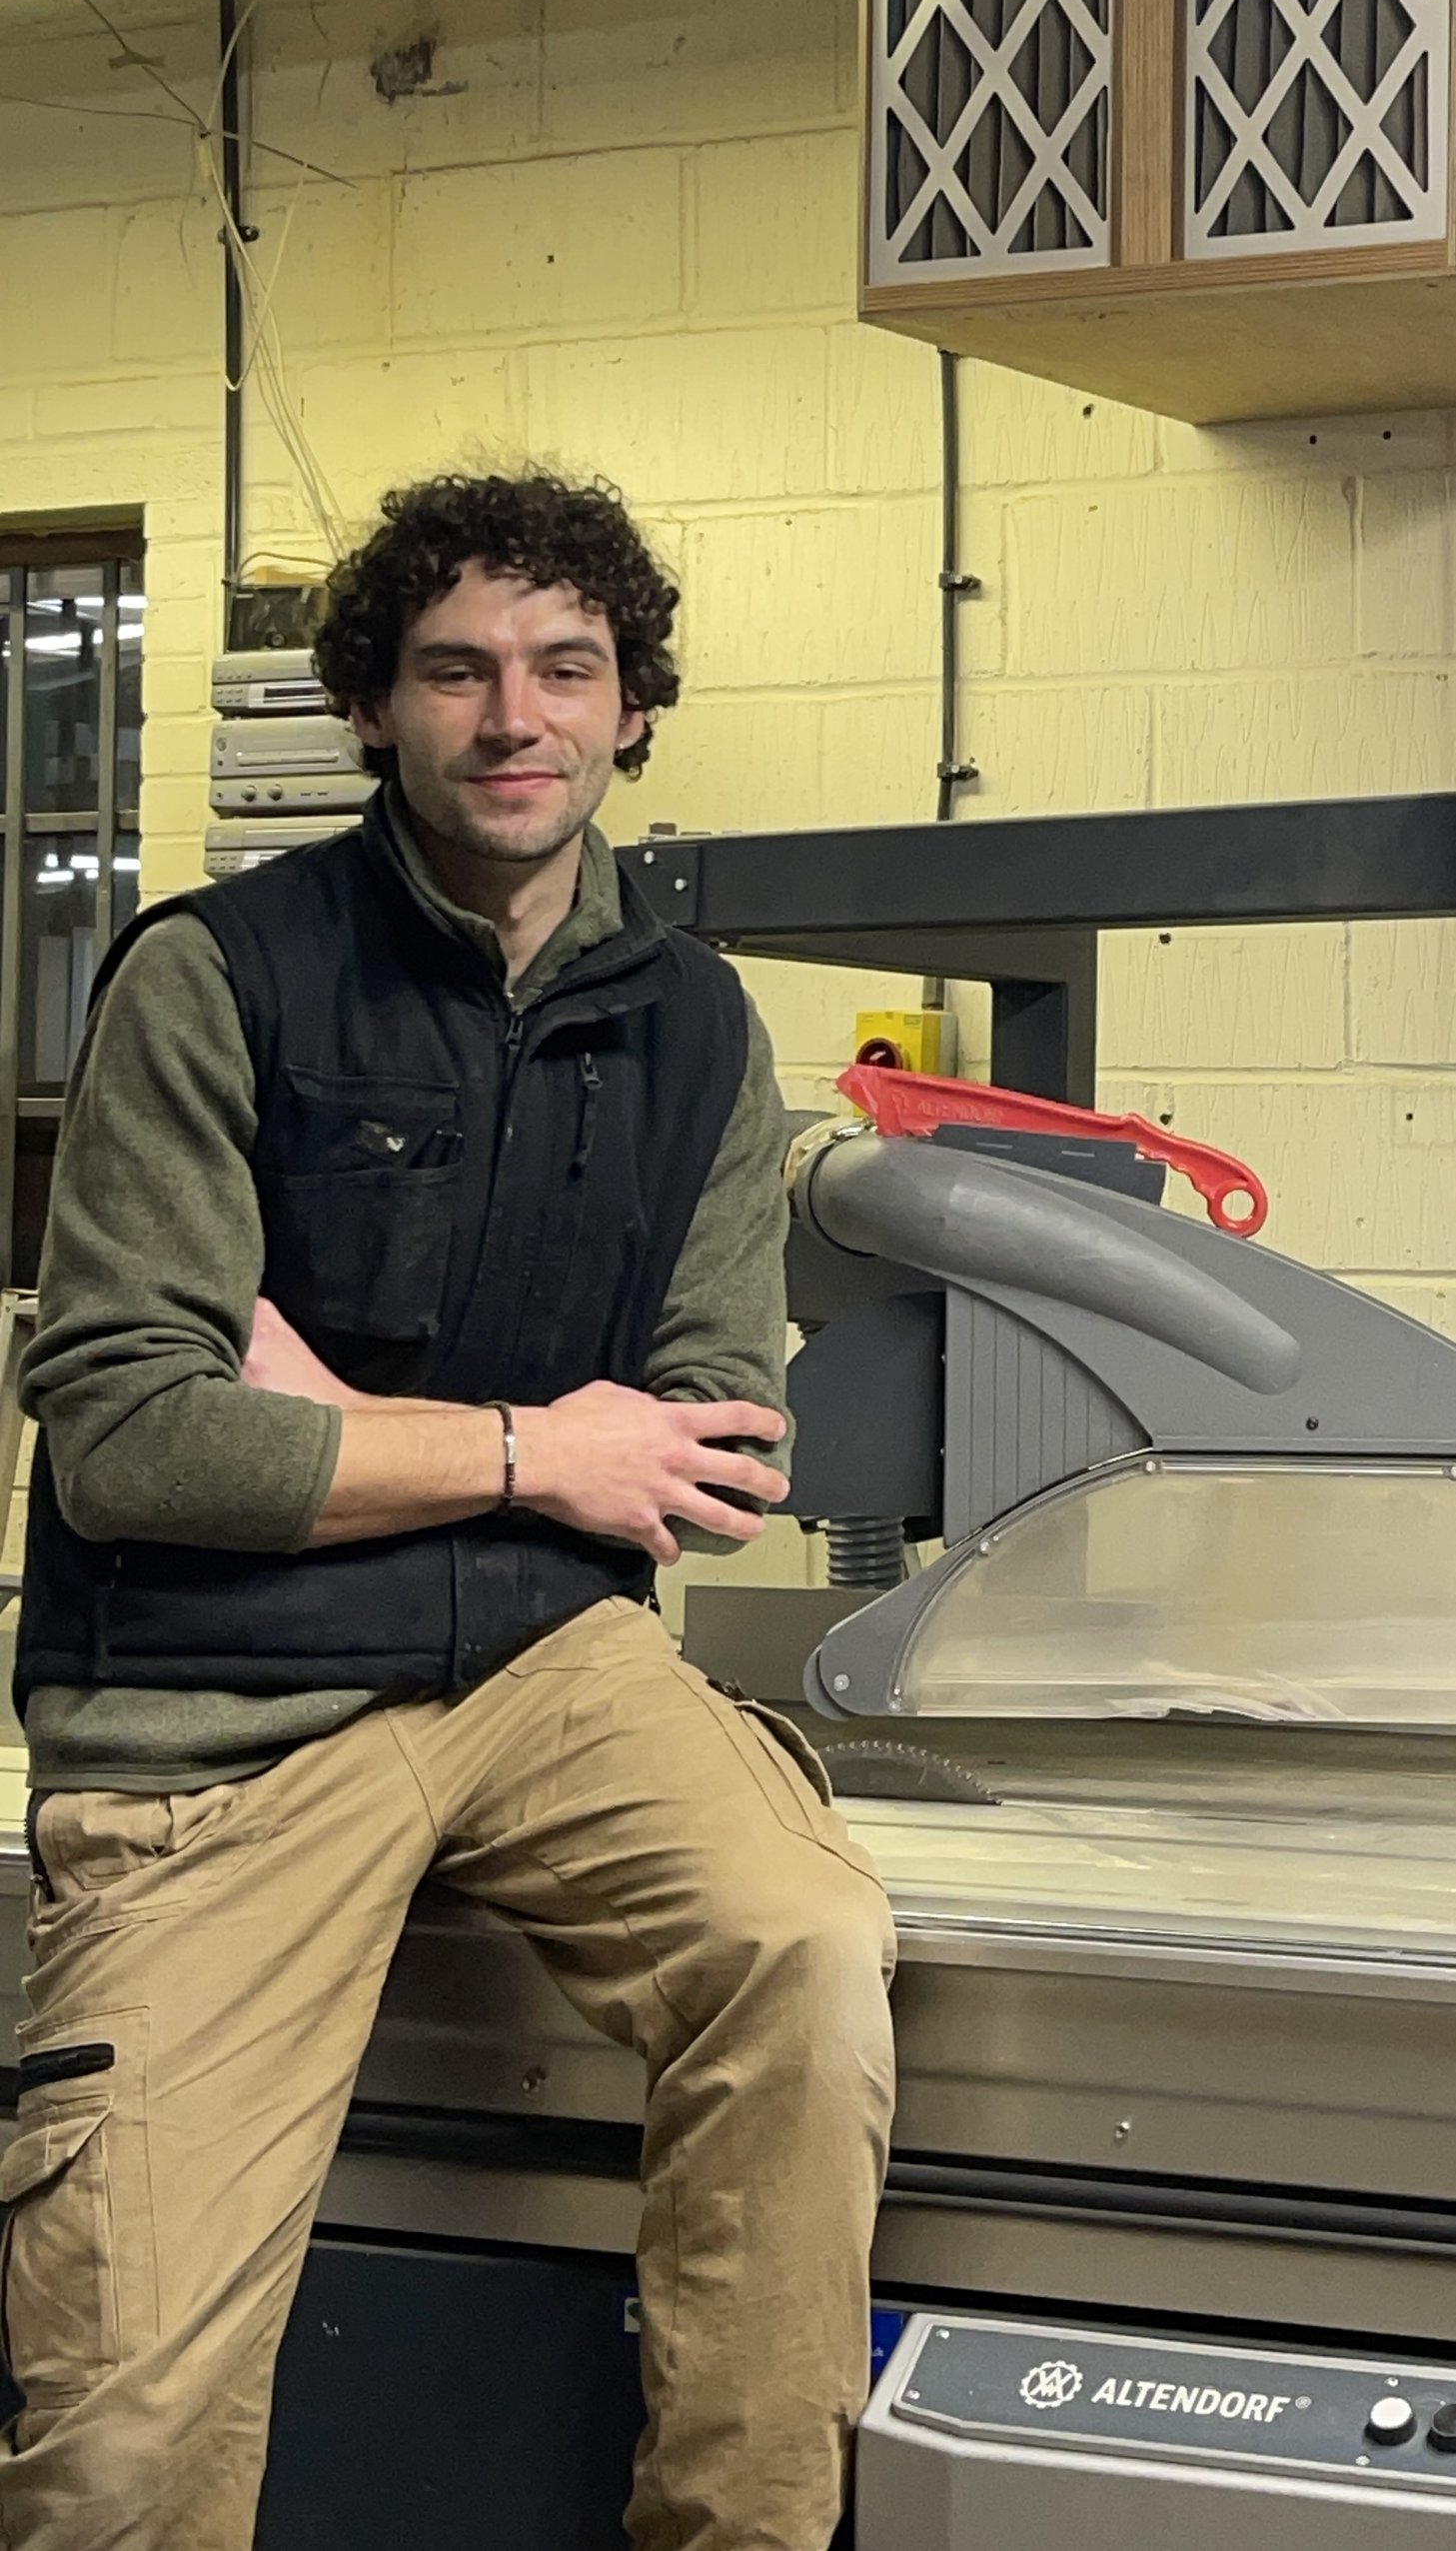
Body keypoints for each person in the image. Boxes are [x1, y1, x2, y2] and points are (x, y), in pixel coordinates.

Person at [3, 469, 893, 2551]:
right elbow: (134, 1440)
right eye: (459, 668)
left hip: (547, 1665)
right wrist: (531, 1450)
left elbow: (719, 1450)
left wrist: (343, 1423)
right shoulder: (218, 977)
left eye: (566, 668)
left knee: (805, 1937)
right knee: (121, 2446)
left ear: (632, 710)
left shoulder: (690, 1021)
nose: (516, 713)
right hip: (223, 1719)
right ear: (377, 710)